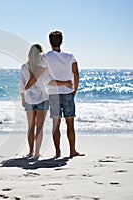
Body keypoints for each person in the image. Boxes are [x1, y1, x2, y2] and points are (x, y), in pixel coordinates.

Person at [31, 30, 84, 158]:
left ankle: (58, 152)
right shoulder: (70, 56)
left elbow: (39, 74)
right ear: (62, 41)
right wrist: (74, 91)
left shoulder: (46, 57)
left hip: (54, 94)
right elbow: (76, 75)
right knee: (70, 124)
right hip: (68, 93)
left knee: (56, 125)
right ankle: (72, 151)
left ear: (50, 42)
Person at [20, 44, 72, 158]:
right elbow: (50, 82)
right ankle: (37, 153)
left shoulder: (24, 67)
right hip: (42, 98)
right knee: (39, 127)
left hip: (29, 99)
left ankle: (30, 152)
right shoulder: (43, 68)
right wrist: (65, 83)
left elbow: (22, 85)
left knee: (30, 127)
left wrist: (22, 98)